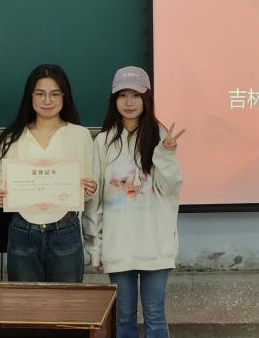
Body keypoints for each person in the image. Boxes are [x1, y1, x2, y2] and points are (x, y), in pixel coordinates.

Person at [84, 66, 185, 338]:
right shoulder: (103, 142)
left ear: (146, 98)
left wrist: (166, 154)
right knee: (123, 318)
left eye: (136, 95)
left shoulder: (161, 136)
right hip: (118, 246)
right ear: (113, 100)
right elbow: (94, 201)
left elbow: (171, 187)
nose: (129, 102)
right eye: (122, 95)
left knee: (156, 316)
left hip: (156, 246)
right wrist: (95, 247)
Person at [0, 64, 97, 282]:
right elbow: (3, 182)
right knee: (26, 301)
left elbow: (88, 190)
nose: (47, 100)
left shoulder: (80, 135)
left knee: (67, 301)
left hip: (65, 229)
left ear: (65, 97)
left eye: (55, 94)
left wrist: (90, 189)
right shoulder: (12, 137)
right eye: (40, 94)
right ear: (30, 97)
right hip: (22, 230)